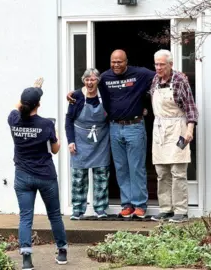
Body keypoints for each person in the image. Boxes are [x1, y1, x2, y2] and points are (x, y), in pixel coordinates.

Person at [67, 49, 155, 219]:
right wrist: (73, 94)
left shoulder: (140, 74)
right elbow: (89, 86)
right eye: (113, 61)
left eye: (119, 62)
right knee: (121, 168)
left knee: (136, 167)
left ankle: (139, 205)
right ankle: (127, 204)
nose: (116, 65)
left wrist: (178, 77)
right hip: (114, 127)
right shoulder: (105, 78)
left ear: (126, 61)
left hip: (134, 126)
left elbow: (160, 75)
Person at [8, 78, 68, 269]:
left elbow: (17, 105)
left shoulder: (13, 119)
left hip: (23, 176)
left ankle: (26, 259)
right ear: (39, 105)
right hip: (46, 177)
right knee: (54, 215)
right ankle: (62, 252)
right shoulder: (46, 125)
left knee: (26, 217)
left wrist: (34, 89)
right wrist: (56, 133)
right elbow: (56, 149)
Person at [149, 49, 199, 223]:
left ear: (171, 64)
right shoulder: (155, 80)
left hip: (178, 128)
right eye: (156, 64)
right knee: (162, 172)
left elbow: (191, 108)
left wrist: (189, 130)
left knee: (178, 171)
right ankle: (165, 208)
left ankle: (180, 210)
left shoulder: (180, 80)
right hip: (160, 129)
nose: (158, 67)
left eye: (162, 64)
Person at [65, 68, 110, 220]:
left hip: (101, 139)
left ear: (98, 81)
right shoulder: (76, 96)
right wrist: (70, 141)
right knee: (78, 177)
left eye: (93, 79)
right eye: (87, 79)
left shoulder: (105, 94)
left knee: (101, 176)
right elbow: (68, 120)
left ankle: (100, 209)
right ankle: (77, 210)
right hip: (80, 139)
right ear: (83, 80)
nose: (90, 83)